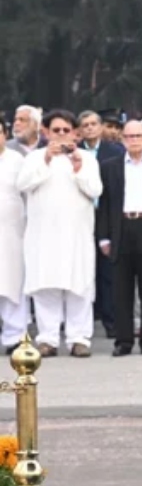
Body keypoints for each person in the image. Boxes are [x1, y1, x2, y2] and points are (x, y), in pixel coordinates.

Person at [18, 110, 103, 358]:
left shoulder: (86, 158)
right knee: (46, 287)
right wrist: (46, 159)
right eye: (57, 130)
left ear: (75, 133)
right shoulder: (34, 158)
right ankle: (48, 339)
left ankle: (79, 338)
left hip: (76, 235)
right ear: (45, 132)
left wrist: (78, 169)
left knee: (80, 286)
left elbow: (96, 189)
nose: (62, 135)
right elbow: (23, 185)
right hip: (43, 235)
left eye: (67, 130)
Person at [96, 120, 142, 357]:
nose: (135, 140)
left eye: (139, 136)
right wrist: (103, 238)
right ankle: (123, 340)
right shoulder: (110, 166)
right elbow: (105, 204)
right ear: (123, 139)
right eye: (130, 136)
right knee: (121, 290)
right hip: (121, 227)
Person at [0, 121, 27, 354]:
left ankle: (14, 336)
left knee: (12, 284)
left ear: (5, 135)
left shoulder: (17, 160)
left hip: (12, 232)